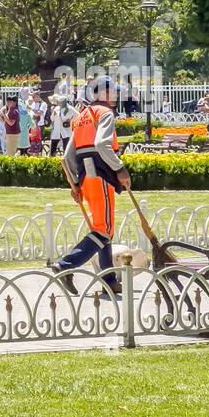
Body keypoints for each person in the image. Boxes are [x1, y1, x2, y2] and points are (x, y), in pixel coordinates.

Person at [50, 77, 130, 298]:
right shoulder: (104, 113)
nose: (116, 95)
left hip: (86, 179)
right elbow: (102, 144)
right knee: (104, 230)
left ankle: (109, 280)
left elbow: (67, 158)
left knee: (103, 229)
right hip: (102, 176)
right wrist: (120, 167)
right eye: (113, 91)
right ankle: (66, 264)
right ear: (103, 93)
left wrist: (75, 184)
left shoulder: (82, 116)